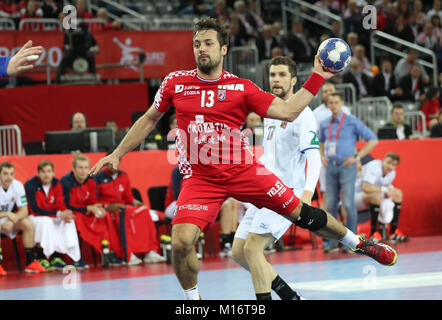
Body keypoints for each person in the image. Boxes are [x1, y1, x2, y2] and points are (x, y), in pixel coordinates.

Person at [89, 17, 398, 300]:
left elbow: (289, 111)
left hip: (244, 171)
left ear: (223, 48)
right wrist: (117, 153)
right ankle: (193, 300)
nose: (201, 49)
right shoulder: (174, 82)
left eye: (208, 43)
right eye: (197, 44)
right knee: (182, 242)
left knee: (301, 215)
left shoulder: (241, 88)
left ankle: (358, 244)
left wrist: (317, 75)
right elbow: (148, 119)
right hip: (201, 179)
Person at [232, 56, 321, 300]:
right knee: (238, 252)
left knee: (252, 249)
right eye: (273, 75)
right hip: (264, 190)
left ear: (294, 80)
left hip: (287, 191)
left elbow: (314, 157)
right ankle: (291, 297)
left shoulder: (303, 113)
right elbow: (269, 156)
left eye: (282, 75)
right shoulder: (269, 110)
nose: (276, 79)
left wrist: (307, 195)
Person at [319, 92, 378, 253]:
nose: (333, 105)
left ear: (342, 103)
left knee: (348, 204)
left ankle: (350, 242)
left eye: (336, 102)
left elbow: (372, 139)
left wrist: (357, 156)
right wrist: (322, 156)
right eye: (330, 102)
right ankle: (330, 242)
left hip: (347, 166)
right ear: (328, 105)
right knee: (330, 205)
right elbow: (320, 141)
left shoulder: (352, 121)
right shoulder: (325, 123)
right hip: (330, 166)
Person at [95, 163, 166, 264]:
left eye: (117, 163)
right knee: (127, 214)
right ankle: (128, 254)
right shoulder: (98, 178)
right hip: (111, 210)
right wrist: (107, 206)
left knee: (144, 211)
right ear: (106, 164)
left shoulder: (123, 175)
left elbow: (128, 196)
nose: (115, 166)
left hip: (124, 208)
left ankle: (150, 252)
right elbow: (95, 200)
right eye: (111, 164)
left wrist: (134, 202)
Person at [61, 154, 123, 268]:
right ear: (74, 169)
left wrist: (97, 208)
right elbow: (66, 205)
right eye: (80, 168)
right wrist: (88, 208)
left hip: (87, 212)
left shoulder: (91, 180)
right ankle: (74, 258)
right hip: (73, 213)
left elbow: (94, 200)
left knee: (105, 216)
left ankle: (108, 251)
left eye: (86, 168)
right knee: (76, 220)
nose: (83, 171)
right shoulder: (65, 182)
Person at [164, 166, 238, 257]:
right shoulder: (179, 170)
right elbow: (177, 195)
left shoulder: (206, 169)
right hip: (175, 204)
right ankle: (191, 246)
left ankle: (227, 242)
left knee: (230, 202)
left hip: (200, 201)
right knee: (193, 208)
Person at [25, 160, 85, 270]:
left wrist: (65, 213)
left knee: (69, 221)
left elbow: (60, 203)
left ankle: (74, 257)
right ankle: (42, 256)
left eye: (49, 171)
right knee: (46, 222)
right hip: (35, 217)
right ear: (38, 173)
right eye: (43, 172)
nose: (46, 174)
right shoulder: (30, 184)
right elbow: (35, 209)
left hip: (52, 215)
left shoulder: (57, 183)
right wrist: (58, 214)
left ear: (53, 173)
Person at [0, 162, 46, 276]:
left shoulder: (17, 185)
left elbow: (24, 210)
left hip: (8, 219)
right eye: (5, 174)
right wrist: (7, 214)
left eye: (11, 174)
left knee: (27, 223)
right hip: (4, 216)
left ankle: (30, 261)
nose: (8, 177)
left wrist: (11, 220)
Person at [313, 81, 351, 210]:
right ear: (321, 95)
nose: (328, 94)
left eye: (330, 90)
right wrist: (321, 156)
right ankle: (323, 229)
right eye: (325, 91)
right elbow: (314, 137)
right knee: (327, 194)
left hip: (343, 157)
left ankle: (349, 229)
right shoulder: (316, 113)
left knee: (345, 195)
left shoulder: (345, 110)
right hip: (326, 158)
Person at [355, 153, 408, 242]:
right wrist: (385, 190)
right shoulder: (374, 167)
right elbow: (366, 187)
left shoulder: (392, 173)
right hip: (355, 195)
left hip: (371, 197)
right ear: (383, 160)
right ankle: (374, 233)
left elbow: (386, 186)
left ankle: (393, 231)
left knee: (398, 193)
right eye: (389, 162)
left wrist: (390, 190)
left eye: (393, 165)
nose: (390, 166)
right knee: (376, 196)